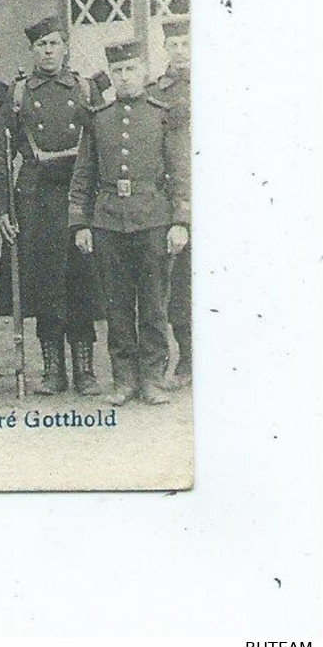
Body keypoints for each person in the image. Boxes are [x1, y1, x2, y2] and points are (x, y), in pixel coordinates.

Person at [70, 39, 190, 406]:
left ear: (143, 72)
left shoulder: (162, 114)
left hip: (153, 221)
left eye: (132, 70)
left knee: (154, 306)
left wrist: (180, 222)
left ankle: (152, 379)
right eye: (119, 71)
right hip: (108, 224)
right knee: (117, 307)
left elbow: (180, 174)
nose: (125, 77)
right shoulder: (99, 119)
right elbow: (83, 176)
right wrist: (80, 224)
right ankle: (124, 380)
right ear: (113, 74)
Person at [0, 16, 102, 395]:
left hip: (78, 193)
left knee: (80, 281)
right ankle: (52, 369)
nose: (48, 51)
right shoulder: (19, 93)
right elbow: (1, 152)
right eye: (41, 45)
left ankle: (85, 370)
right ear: (32, 51)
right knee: (44, 283)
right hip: (35, 195)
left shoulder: (85, 89)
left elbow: (101, 146)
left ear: (65, 48)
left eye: (54, 44)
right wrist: (3, 207)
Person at [148, 16, 192, 387]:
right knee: (178, 280)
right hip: (174, 199)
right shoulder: (156, 92)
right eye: (174, 45)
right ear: (165, 49)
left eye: (187, 44)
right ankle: (187, 359)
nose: (181, 52)